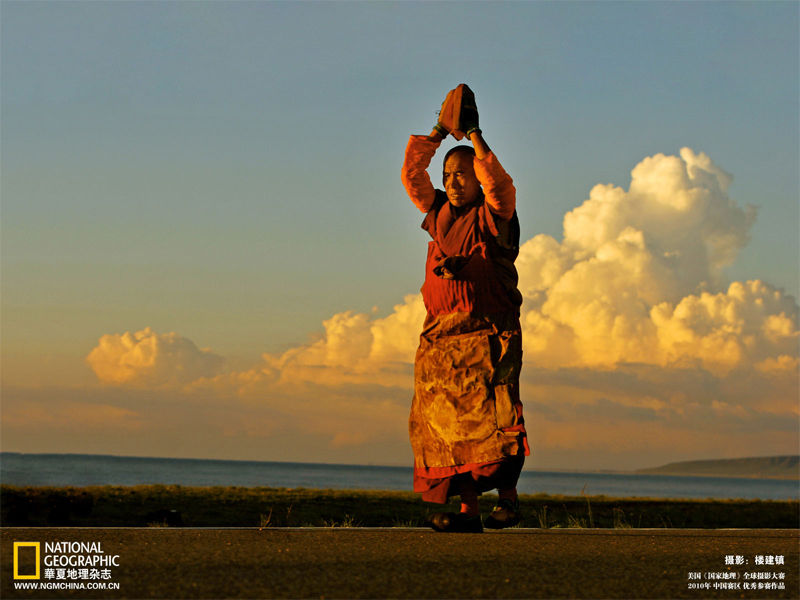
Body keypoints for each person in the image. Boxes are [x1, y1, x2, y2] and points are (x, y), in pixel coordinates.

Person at [402, 85, 529, 533]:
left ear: (477, 179)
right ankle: (467, 512)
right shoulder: (437, 213)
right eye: (448, 175)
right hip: (440, 340)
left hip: (488, 335)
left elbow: (501, 183)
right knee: (447, 426)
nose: (454, 182)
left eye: (463, 175)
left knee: (495, 419)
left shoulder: (496, 214)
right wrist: (437, 132)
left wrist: (474, 136)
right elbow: (412, 176)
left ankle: (509, 503)